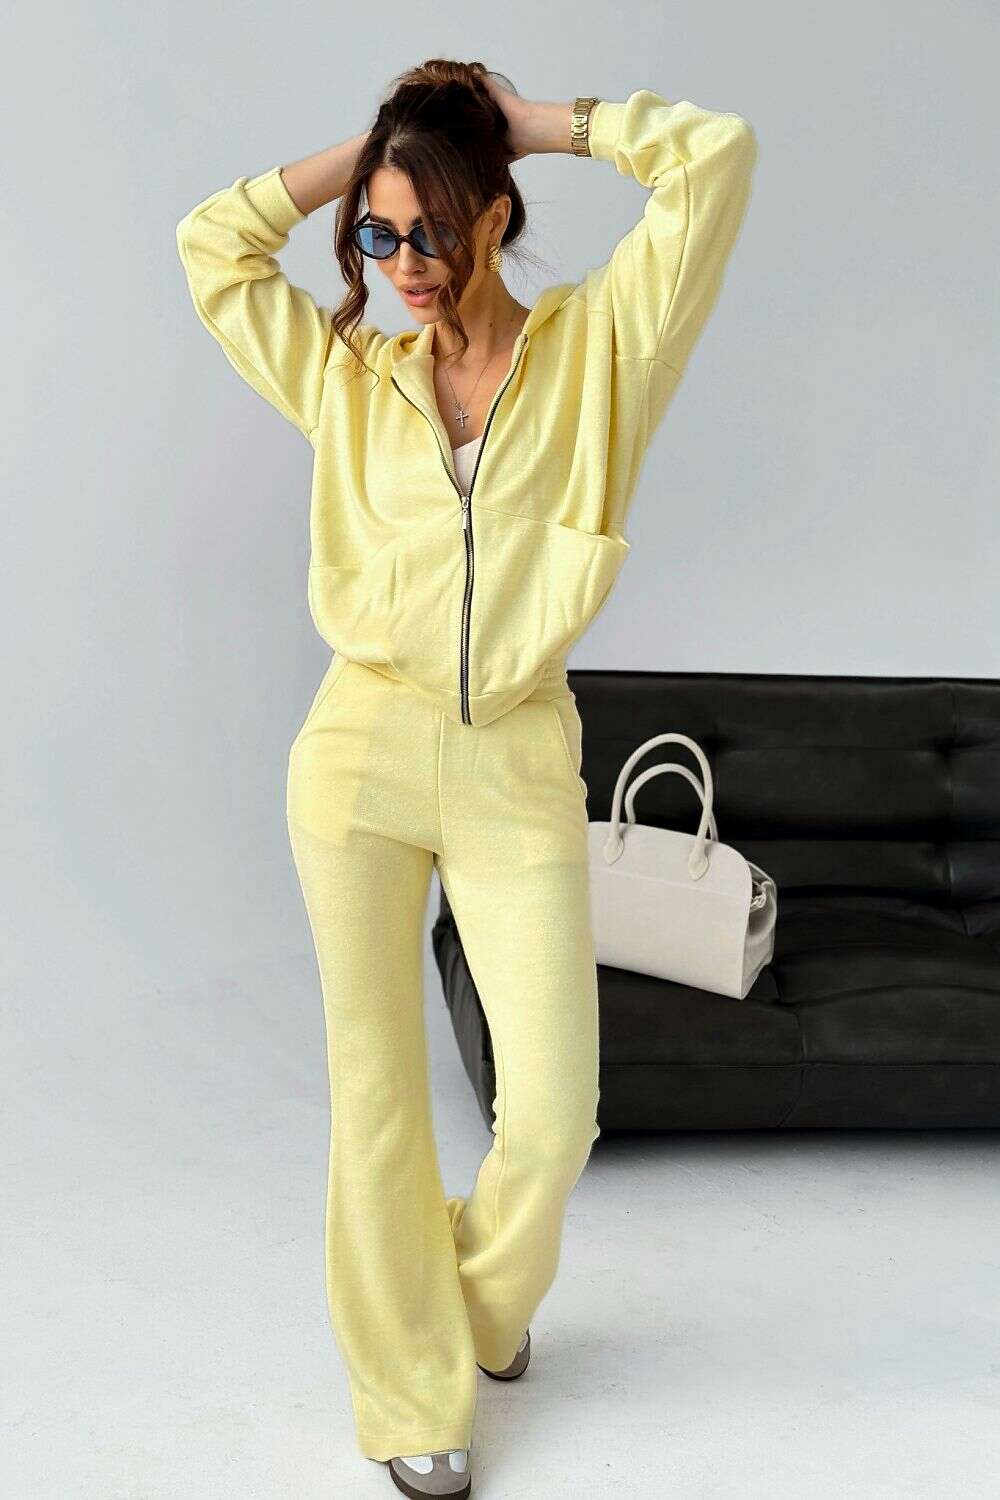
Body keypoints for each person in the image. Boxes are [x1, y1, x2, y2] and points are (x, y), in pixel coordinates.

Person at [175, 58, 758, 1498]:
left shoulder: (604, 348)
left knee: (553, 1112)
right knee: (376, 1092)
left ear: (496, 216)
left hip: (515, 751)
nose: (403, 264)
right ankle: (407, 1392)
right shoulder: (347, 374)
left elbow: (717, 158)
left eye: (432, 228)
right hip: (359, 754)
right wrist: (378, 148)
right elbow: (211, 243)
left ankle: (474, 1312)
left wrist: (535, 126)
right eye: (378, 236)